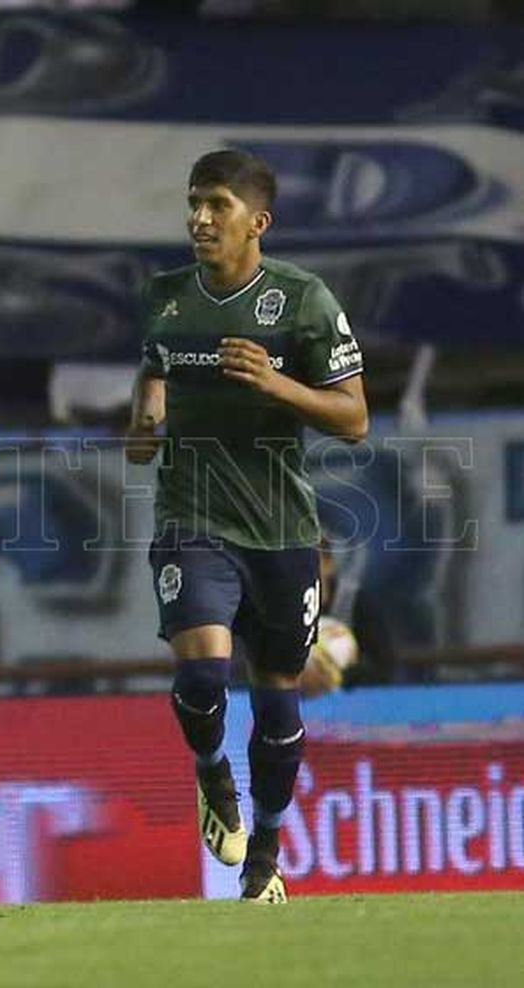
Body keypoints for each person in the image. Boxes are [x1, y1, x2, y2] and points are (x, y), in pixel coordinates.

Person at [124, 149, 368, 902]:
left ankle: (264, 851)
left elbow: (355, 417)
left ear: (257, 221)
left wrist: (276, 382)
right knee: (199, 676)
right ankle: (211, 775)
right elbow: (155, 364)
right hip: (191, 517)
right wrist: (146, 414)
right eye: (195, 201)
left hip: (282, 530)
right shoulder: (166, 296)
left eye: (218, 204)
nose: (200, 217)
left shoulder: (302, 300)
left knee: (278, 702)